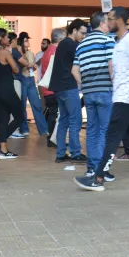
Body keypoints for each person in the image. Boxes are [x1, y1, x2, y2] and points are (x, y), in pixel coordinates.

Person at [75, 7, 129, 191]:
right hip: (122, 96)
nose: (108, 22)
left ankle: (97, 178)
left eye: (110, 19)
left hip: (127, 98)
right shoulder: (118, 42)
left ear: (120, 20)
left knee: (111, 137)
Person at [71, 11, 116, 174]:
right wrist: (114, 83)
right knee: (105, 130)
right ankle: (100, 169)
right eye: (108, 22)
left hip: (89, 93)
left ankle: (91, 167)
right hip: (105, 91)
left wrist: (86, 84)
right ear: (102, 23)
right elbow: (112, 65)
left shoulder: (81, 45)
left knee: (92, 130)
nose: (110, 25)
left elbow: (74, 70)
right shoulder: (108, 41)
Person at [51, 19, 89, 163]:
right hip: (68, 86)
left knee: (64, 120)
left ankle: (60, 153)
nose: (83, 36)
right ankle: (75, 152)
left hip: (59, 87)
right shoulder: (72, 45)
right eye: (82, 33)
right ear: (74, 30)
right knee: (75, 120)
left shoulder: (62, 44)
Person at [0, 28, 25, 159]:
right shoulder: (4, 52)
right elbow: (15, 69)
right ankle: (1, 140)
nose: (9, 39)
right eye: (6, 37)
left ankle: (3, 149)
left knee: (3, 118)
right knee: (20, 116)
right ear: (0, 39)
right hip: (6, 89)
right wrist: (11, 54)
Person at [14, 32, 44, 137]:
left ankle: (43, 130)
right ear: (21, 42)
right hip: (23, 79)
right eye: (26, 40)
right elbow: (19, 65)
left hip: (31, 79)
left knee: (37, 105)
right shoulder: (17, 51)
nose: (28, 42)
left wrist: (34, 66)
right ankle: (24, 129)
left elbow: (33, 65)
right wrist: (28, 64)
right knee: (22, 106)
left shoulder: (31, 53)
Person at [36, 28, 64, 142]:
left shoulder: (49, 50)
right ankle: (52, 138)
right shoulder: (54, 51)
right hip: (52, 88)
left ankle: (52, 137)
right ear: (60, 39)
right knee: (54, 113)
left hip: (48, 88)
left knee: (52, 112)